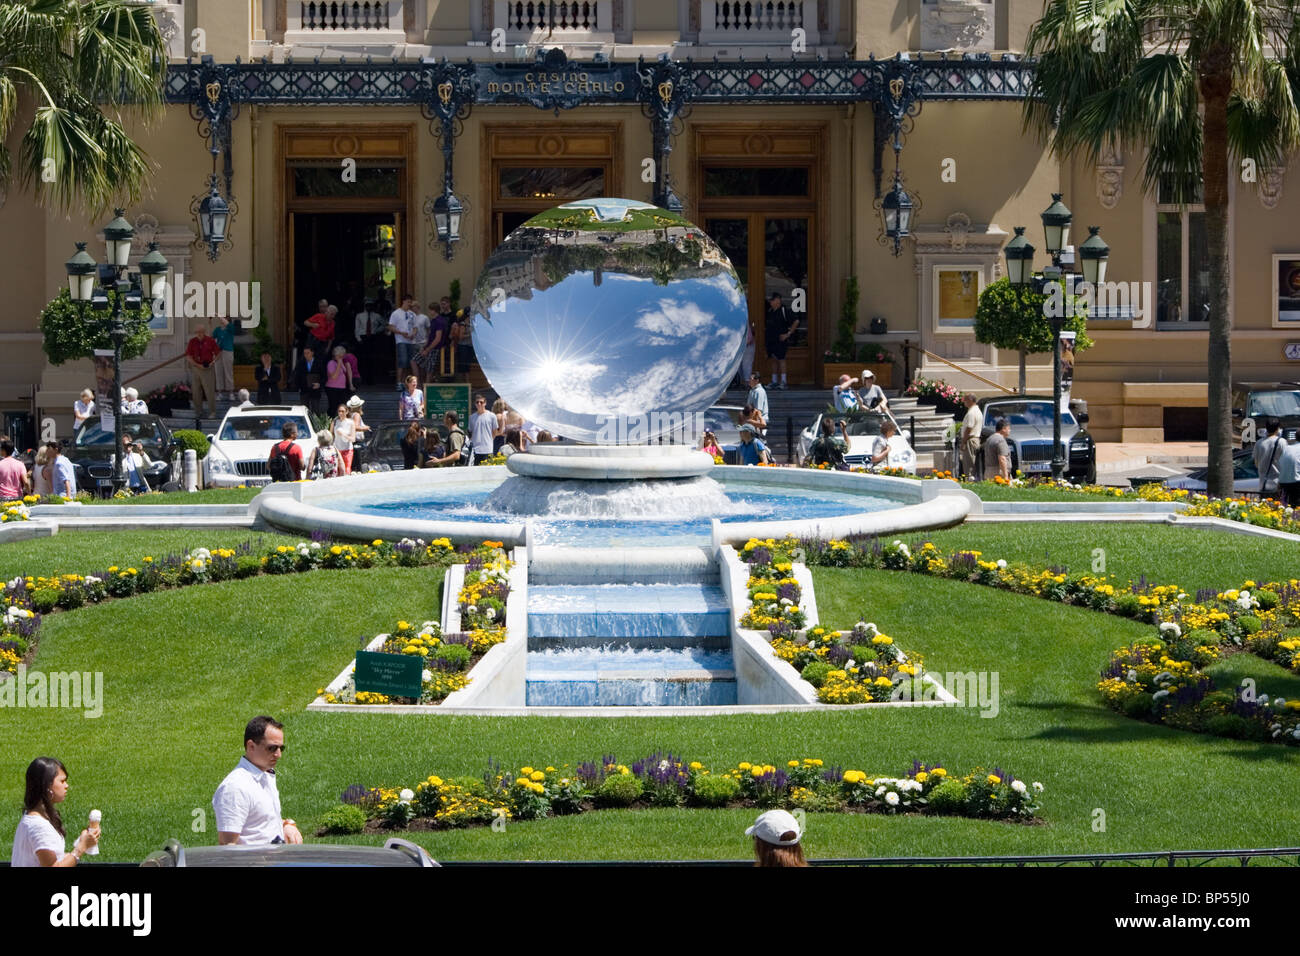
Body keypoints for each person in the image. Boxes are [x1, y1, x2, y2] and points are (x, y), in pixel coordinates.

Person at [213, 716, 303, 846]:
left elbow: (260, 821)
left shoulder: (265, 775)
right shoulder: (235, 787)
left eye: (281, 748)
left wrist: (286, 824)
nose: (278, 754)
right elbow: (228, 846)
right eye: (272, 748)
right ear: (251, 746)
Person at [11, 757, 98, 867]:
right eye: (62, 781)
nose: (66, 786)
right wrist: (81, 848)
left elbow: (54, 859)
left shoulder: (33, 818)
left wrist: (82, 842)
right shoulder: (38, 826)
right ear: (47, 785)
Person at [185, 323, 220, 423]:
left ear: (204, 332)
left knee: (209, 391)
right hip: (196, 368)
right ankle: (198, 412)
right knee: (196, 391)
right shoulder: (192, 341)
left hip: (207, 368)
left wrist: (213, 362)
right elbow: (188, 356)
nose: (199, 334)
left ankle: (212, 412)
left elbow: (218, 353)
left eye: (201, 332)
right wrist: (196, 364)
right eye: (197, 332)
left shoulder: (210, 340)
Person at [764, 292, 798, 390]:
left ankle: (783, 381)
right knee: (774, 359)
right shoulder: (770, 311)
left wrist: (788, 334)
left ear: (777, 300)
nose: (770, 302)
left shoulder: (784, 310)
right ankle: (774, 381)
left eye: (772, 300)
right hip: (771, 340)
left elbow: (796, 321)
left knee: (781, 359)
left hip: (781, 340)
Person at [388, 294, 418, 387]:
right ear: (403, 301)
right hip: (401, 340)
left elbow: (415, 327)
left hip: (410, 341)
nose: (409, 304)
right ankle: (399, 382)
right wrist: (401, 333)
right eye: (408, 302)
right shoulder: (396, 313)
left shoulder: (412, 314)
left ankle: (408, 382)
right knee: (403, 360)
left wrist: (413, 334)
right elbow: (391, 327)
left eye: (410, 302)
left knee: (411, 361)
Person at [418, 298, 450, 383]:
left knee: (429, 368)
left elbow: (437, 338)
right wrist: (425, 346)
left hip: (435, 348)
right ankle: (420, 383)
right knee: (416, 361)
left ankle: (427, 385)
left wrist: (428, 350)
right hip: (429, 346)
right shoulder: (433, 321)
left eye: (430, 310)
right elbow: (430, 335)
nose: (429, 312)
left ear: (434, 311)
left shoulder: (439, 321)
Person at [1253, 418, 1284, 498]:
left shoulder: (1259, 443)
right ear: (1278, 429)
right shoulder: (1281, 442)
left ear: (1266, 428)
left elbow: (1256, 463)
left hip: (1263, 483)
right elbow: (1285, 461)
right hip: (1277, 483)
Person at [211, 315, 238, 402]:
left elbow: (230, 327)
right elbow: (212, 338)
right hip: (218, 353)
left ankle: (231, 392)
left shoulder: (231, 328)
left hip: (228, 351)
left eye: (225, 319)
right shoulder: (218, 329)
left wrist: (218, 315)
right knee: (218, 371)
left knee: (228, 372)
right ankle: (219, 392)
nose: (222, 320)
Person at [959, 393, 984, 480]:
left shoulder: (972, 413)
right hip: (974, 439)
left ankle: (970, 480)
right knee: (971, 462)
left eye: (965, 400)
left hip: (970, 440)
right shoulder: (977, 411)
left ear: (970, 400)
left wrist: (963, 442)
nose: (964, 402)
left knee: (969, 464)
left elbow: (969, 428)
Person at [294, 346, 325, 415]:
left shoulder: (319, 363)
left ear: (312, 353)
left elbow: (324, 376)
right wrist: (298, 387)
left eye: (308, 353)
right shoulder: (300, 363)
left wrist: (319, 384)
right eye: (304, 353)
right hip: (304, 390)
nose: (306, 355)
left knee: (315, 410)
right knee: (304, 410)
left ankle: (315, 425)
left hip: (315, 390)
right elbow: (297, 375)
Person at [468, 394, 498, 465]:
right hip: (476, 450)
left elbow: (495, 432)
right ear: (475, 404)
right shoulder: (472, 417)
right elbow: (470, 432)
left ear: (485, 403)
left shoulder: (492, 416)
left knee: (487, 471)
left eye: (481, 402)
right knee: (476, 471)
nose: (479, 404)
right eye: (477, 402)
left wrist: (489, 440)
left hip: (488, 449)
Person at [325, 345, 355, 414]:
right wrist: (339, 363)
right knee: (333, 406)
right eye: (342, 355)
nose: (343, 357)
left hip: (341, 388)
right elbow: (334, 376)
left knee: (342, 406)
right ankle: (330, 421)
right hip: (332, 388)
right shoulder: (331, 363)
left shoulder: (341, 362)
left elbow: (345, 371)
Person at [332, 404, 357, 474]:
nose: (340, 413)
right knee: (336, 470)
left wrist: (343, 434)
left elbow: (353, 439)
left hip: (347, 450)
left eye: (342, 411)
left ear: (347, 412)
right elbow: (331, 435)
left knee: (347, 469)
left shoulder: (351, 423)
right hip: (337, 450)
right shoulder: (334, 422)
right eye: (339, 411)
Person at [1278, 438, 1300, 506]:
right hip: (1296, 483)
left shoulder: (1287, 448)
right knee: (1296, 508)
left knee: (1286, 508)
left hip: (1283, 483)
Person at [740, 317, 757, 386]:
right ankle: (742, 382)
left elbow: (749, 338)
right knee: (740, 366)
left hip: (747, 346)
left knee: (746, 365)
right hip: (742, 346)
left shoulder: (744, 323)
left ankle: (747, 383)